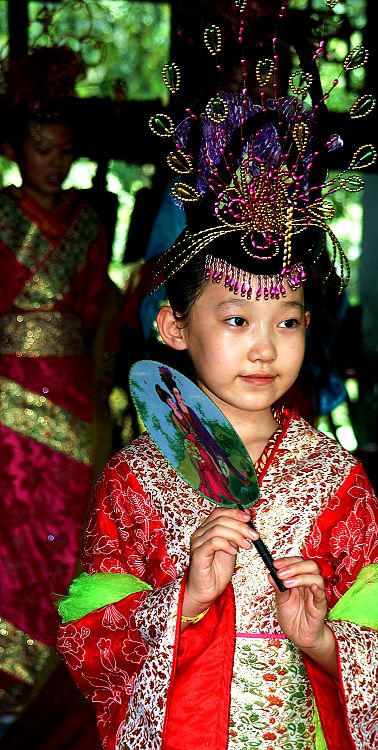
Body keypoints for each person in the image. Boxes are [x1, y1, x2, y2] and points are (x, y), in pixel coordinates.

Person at [56, 6, 378, 749]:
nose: (264, 348)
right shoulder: (134, 479)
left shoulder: (336, 480)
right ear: (172, 326)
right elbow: (90, 653)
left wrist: (322, 642)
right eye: (234, 320)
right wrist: (184, 599)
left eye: (286, 321)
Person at [0, 46, 114, 723]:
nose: (55, 161)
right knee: (11, 522)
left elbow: (99, 311)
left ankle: (64, 662)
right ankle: (11, 671)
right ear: (15, 148)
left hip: (73, 394)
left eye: (64, 148)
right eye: (42, 147)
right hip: (6, 387)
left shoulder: (92, 221)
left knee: (69, 525)